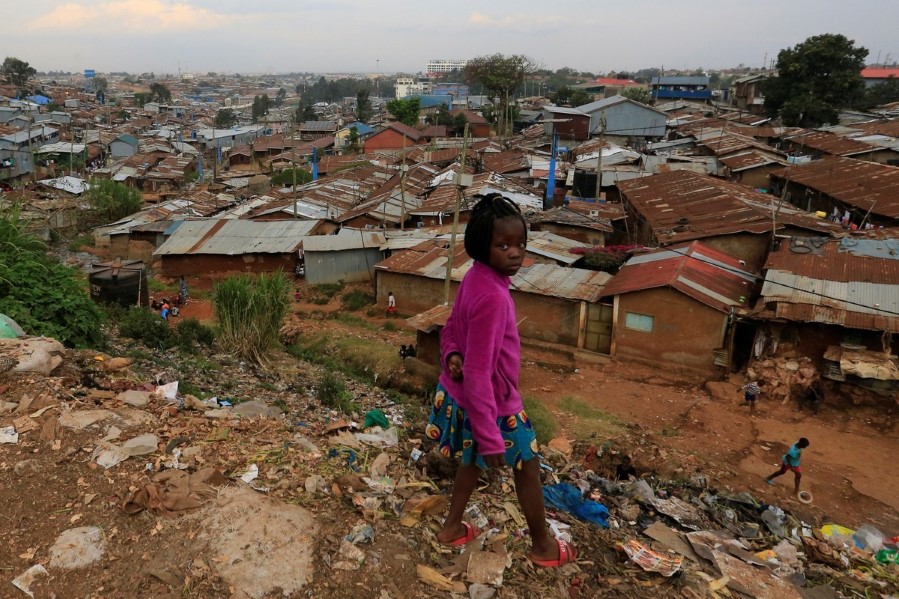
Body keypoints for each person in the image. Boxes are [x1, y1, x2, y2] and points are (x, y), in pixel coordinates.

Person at [425, 193, 575, 568]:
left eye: (521, 244)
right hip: (494, 403)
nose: (515, 253)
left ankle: (451, 528)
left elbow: (452, 330)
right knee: (528, 465)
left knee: (471, 462)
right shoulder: (493, 295)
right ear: (481, 245)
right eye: (503, 245)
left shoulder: (475, 278)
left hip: (464, 397)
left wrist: (451, 354)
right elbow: (478, 371)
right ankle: (543, 546)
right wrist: (491, 436)